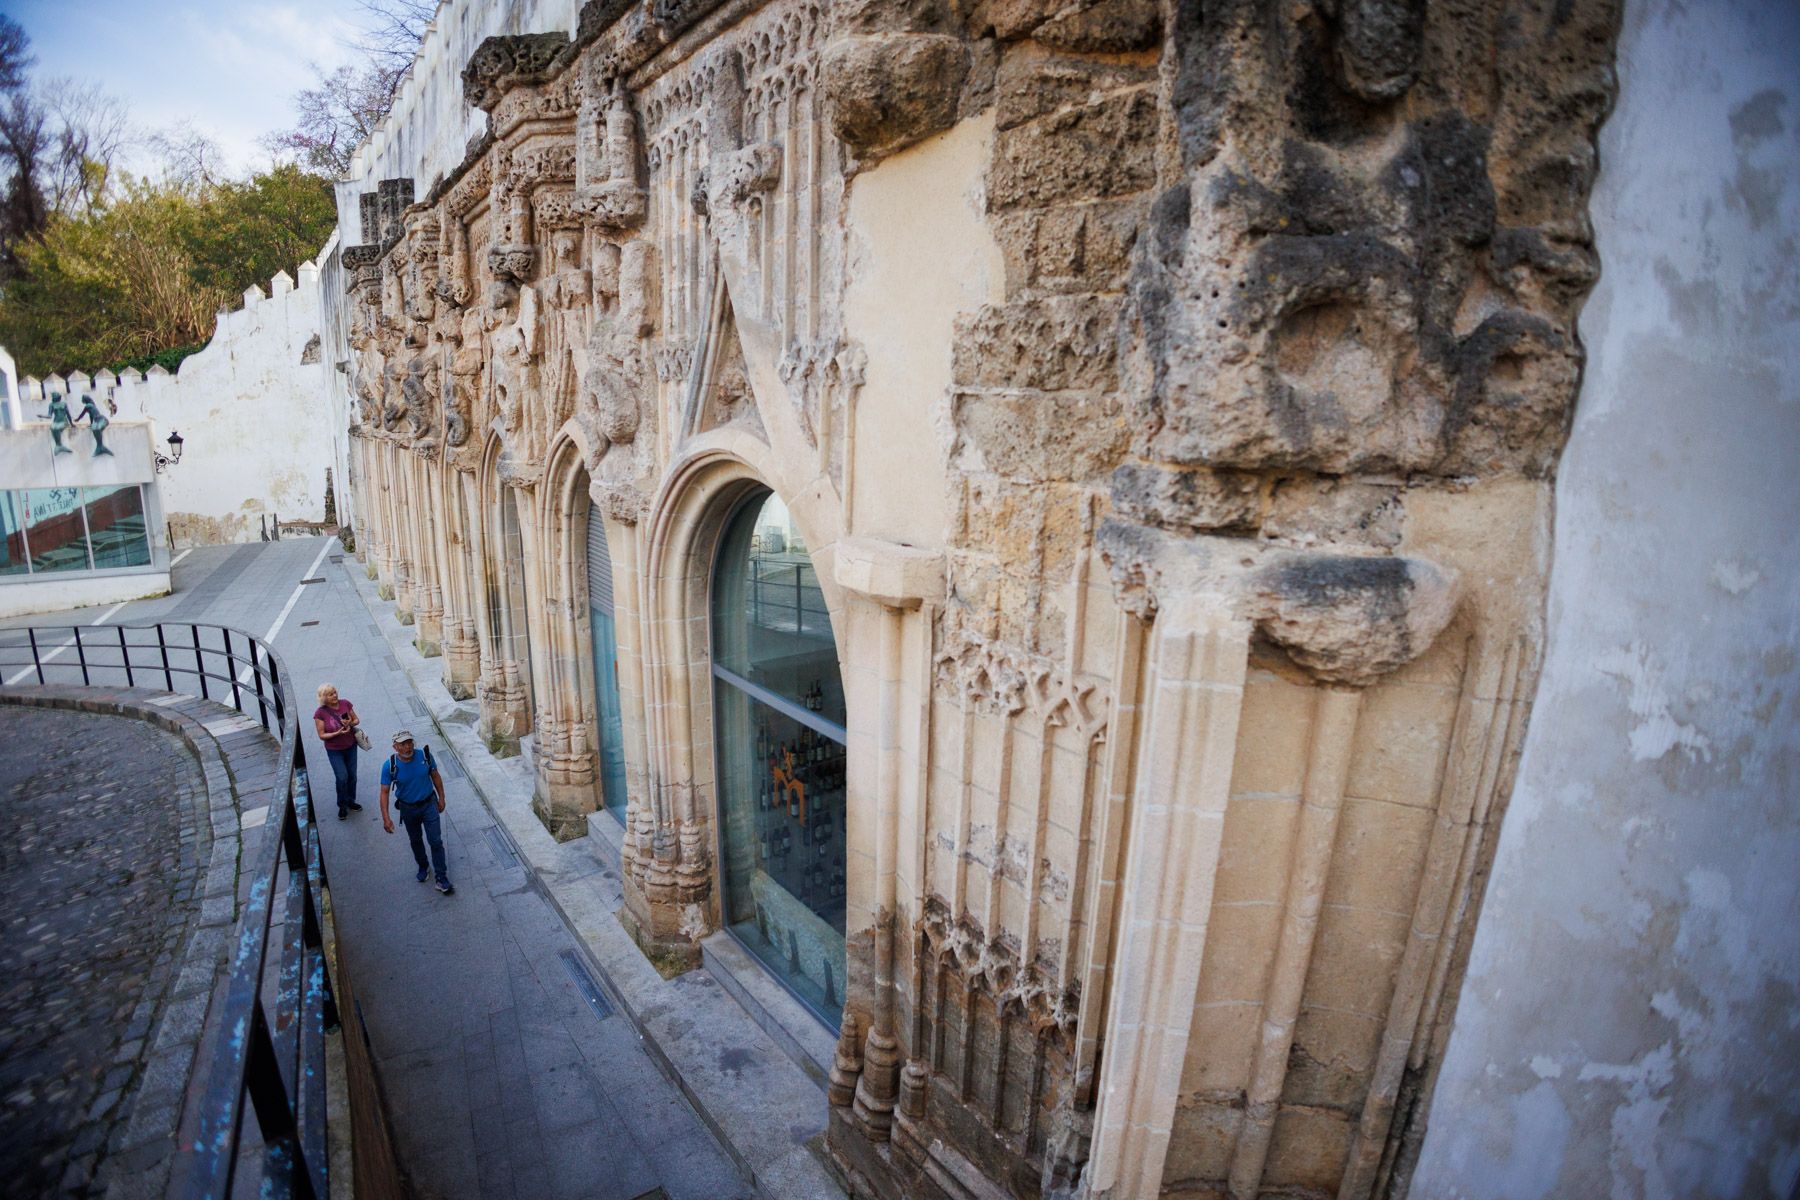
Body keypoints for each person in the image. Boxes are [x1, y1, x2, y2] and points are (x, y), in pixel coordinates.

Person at [380, 730, 453, 895]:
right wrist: (386, 818)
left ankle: (441, 877)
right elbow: (384, 792)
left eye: (409, 742)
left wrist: (441, 798)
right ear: (395, 747)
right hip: (408, 809)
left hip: (429, 804)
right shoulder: (389, 766)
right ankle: (423, 865)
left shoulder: (425, 756)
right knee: (415, 839)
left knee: (435, 841)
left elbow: (435, 776)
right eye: (403, 744)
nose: (407, 747)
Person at [313, 683, 364, 819]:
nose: (335, 695)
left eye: (335, 692)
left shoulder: (345, 703)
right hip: (334, 750)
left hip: (350, 745)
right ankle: (342, 805)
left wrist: (350, 724)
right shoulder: (320, 713)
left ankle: (351, 801)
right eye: (330, 694)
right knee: (342, 777)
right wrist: (337, 733)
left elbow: (356, 720)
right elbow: (321, 735)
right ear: (324, 697)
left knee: (352, 776)